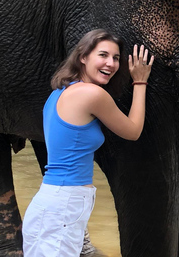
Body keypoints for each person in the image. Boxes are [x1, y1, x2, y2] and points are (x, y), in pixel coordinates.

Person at [22, 29, 154, 256]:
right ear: (83, 57)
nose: (111, 64)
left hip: (53, 205)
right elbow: (133, 131)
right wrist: (140, 82)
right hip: (62, 207)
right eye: (103, 55)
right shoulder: (91, 94)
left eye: (115, 58)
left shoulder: (58, 93)